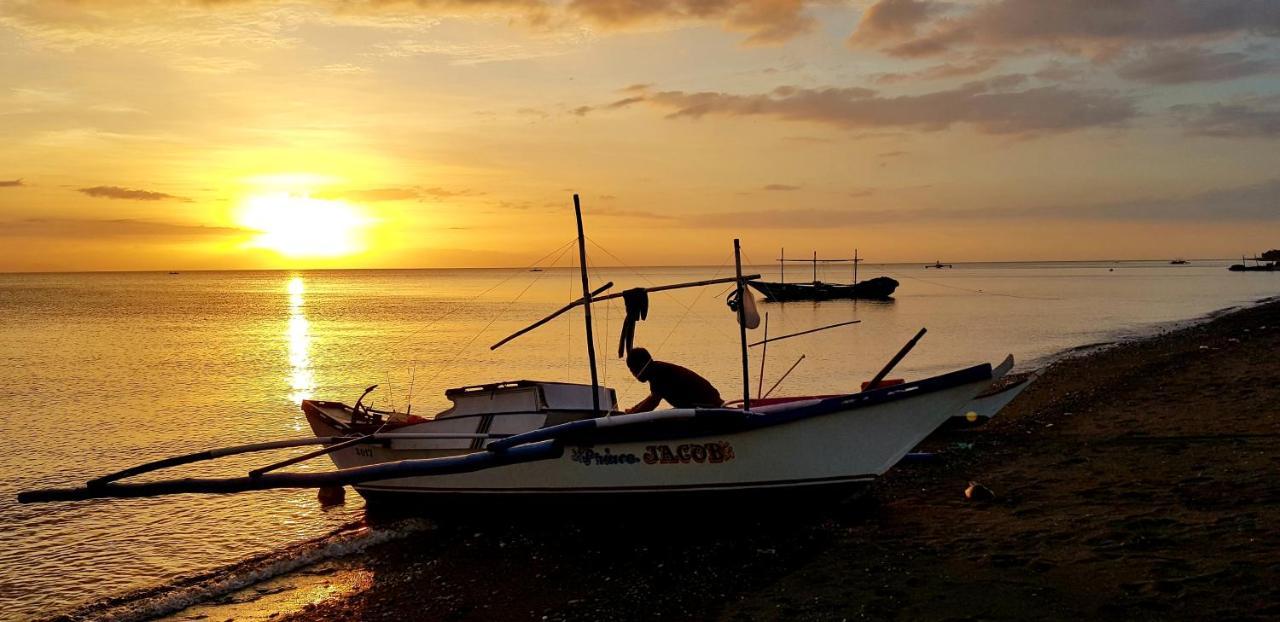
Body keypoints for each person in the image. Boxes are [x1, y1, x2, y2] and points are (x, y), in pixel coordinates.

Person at [624, 347, 723, 413]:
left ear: (642, 365)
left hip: (707, 406)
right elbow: (652, 397)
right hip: (701, 405)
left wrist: (631, 415)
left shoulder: (658, 373)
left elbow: (653, 402)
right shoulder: (656, 369)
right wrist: (633, 410)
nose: (634, 374)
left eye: (634, 370)